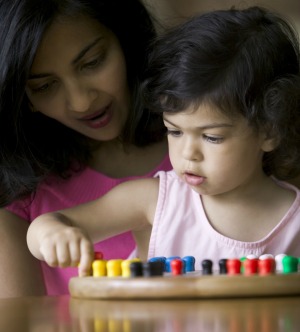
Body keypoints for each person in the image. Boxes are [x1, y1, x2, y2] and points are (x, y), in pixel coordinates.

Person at [27, 6, 300, 277]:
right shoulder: (155, 201)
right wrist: (53, 235)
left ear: (269, 132)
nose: (187, 154)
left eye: (211, 137)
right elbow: (50, 223)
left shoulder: (294, 220)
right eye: (175, 132)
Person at [0, 0, 171, 297]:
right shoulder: (18, 199)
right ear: (22, 97)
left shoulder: (215, 149)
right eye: (45, 87)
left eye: (92, 63)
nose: (81, 101)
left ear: (125, 38)